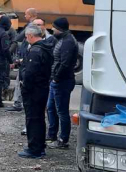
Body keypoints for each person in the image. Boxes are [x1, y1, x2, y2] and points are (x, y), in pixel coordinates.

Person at [18, 24, 54, 159]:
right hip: (42, 87)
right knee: (39, 119)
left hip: (34, 90)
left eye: (27, 37)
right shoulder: (46, 48)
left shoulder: (35, 51)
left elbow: (30, 73)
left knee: (33, 119)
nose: (26, 39)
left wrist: (25, 86)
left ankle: (34, 149)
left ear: (31, 36)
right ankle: (39, 146)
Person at [47, 17, 78, 149]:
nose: (52, 29)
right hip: (58, 81)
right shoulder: (64, 40)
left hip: (62, 82)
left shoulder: (68, 42)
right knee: (51, 108)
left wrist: (56, 78)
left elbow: (65, 63)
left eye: (54, 27)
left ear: (59, 28)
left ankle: (63, 139)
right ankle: (52, 134)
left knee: (62, 111)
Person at [7, 8, 38, 112]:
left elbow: (19, 37)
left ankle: (18, 104)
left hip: (25, 59)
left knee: (20, 81)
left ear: (31, 15)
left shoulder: (31, 26)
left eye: (26, 14)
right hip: (27, 58)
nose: (25, 16)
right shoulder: (36, 26)